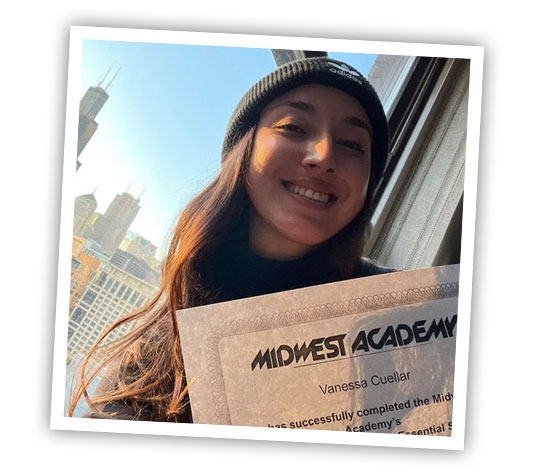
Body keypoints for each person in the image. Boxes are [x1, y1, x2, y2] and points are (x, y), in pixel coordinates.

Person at [69, 56, 393, 422]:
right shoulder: (161, 348)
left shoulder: (409, 314)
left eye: (352, 144)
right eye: (293, 127)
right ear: (243, 151)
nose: (323, 156)